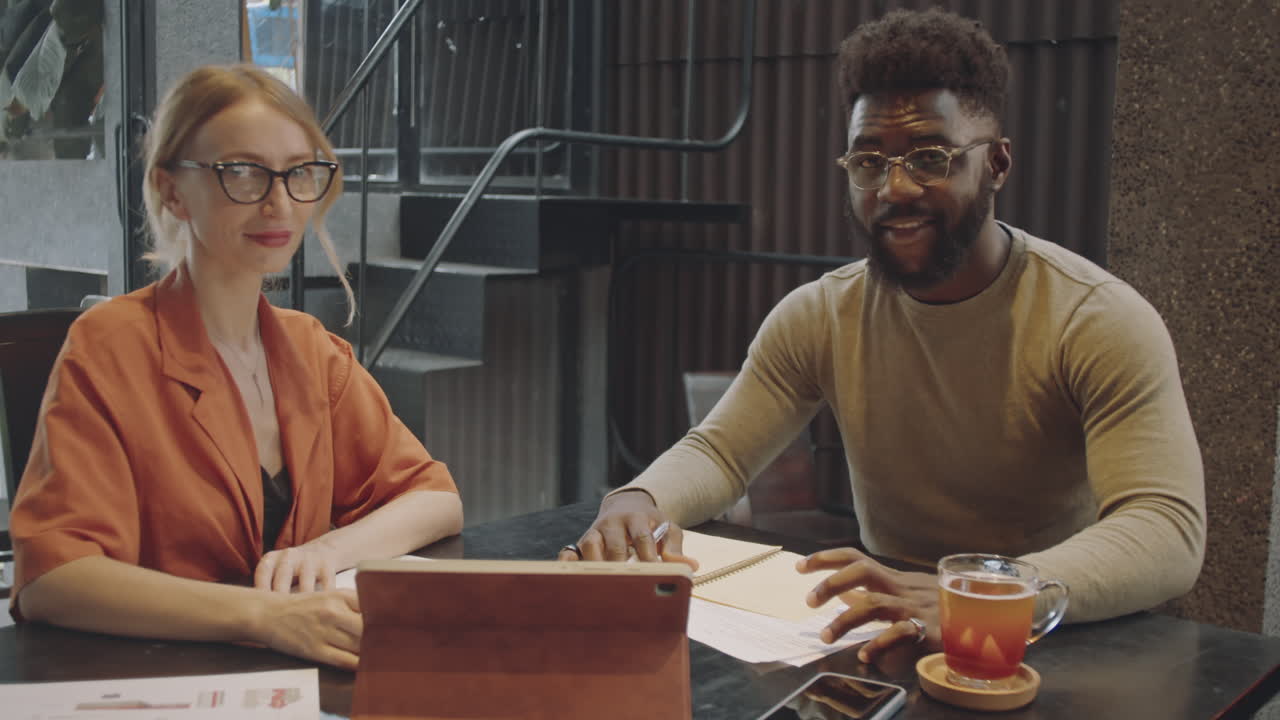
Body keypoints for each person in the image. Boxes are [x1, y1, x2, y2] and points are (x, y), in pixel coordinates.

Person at [561, 8, 1205, 668]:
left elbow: (1165, 529)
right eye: (869, 160)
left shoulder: (1094, 319)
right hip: (887, 628)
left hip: (1047, 634)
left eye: (930, 157)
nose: (896, 188)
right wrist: (636, 500)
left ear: (998, 164)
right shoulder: (821, 315)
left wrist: (985, 594)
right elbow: (722, 454)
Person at [8, 64, 463, 670]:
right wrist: (267, 617)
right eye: (242, 172)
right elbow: (53, 579)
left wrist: (326, 551)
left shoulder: (311, 350)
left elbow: (435, 498)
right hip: (156, 681)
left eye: (299, 171)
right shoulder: (109, 345)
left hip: (293, 683)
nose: (279, 202)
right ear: (172, 190)